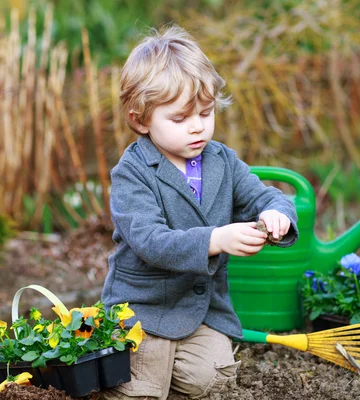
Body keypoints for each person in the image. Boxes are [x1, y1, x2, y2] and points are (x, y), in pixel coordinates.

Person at [101, 25, 299, 400]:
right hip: (145, 304)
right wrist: (216, 238)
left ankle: (174, 359)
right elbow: (150, 241)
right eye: (179, 119)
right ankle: (145, 362)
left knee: (212, 381)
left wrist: (278, 214)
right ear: (141, 120)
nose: (197, 128)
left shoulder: (221, 161)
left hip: (202, 310)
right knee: (142, 390)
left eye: (205, 113)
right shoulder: (133, 172)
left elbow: (263, 195)